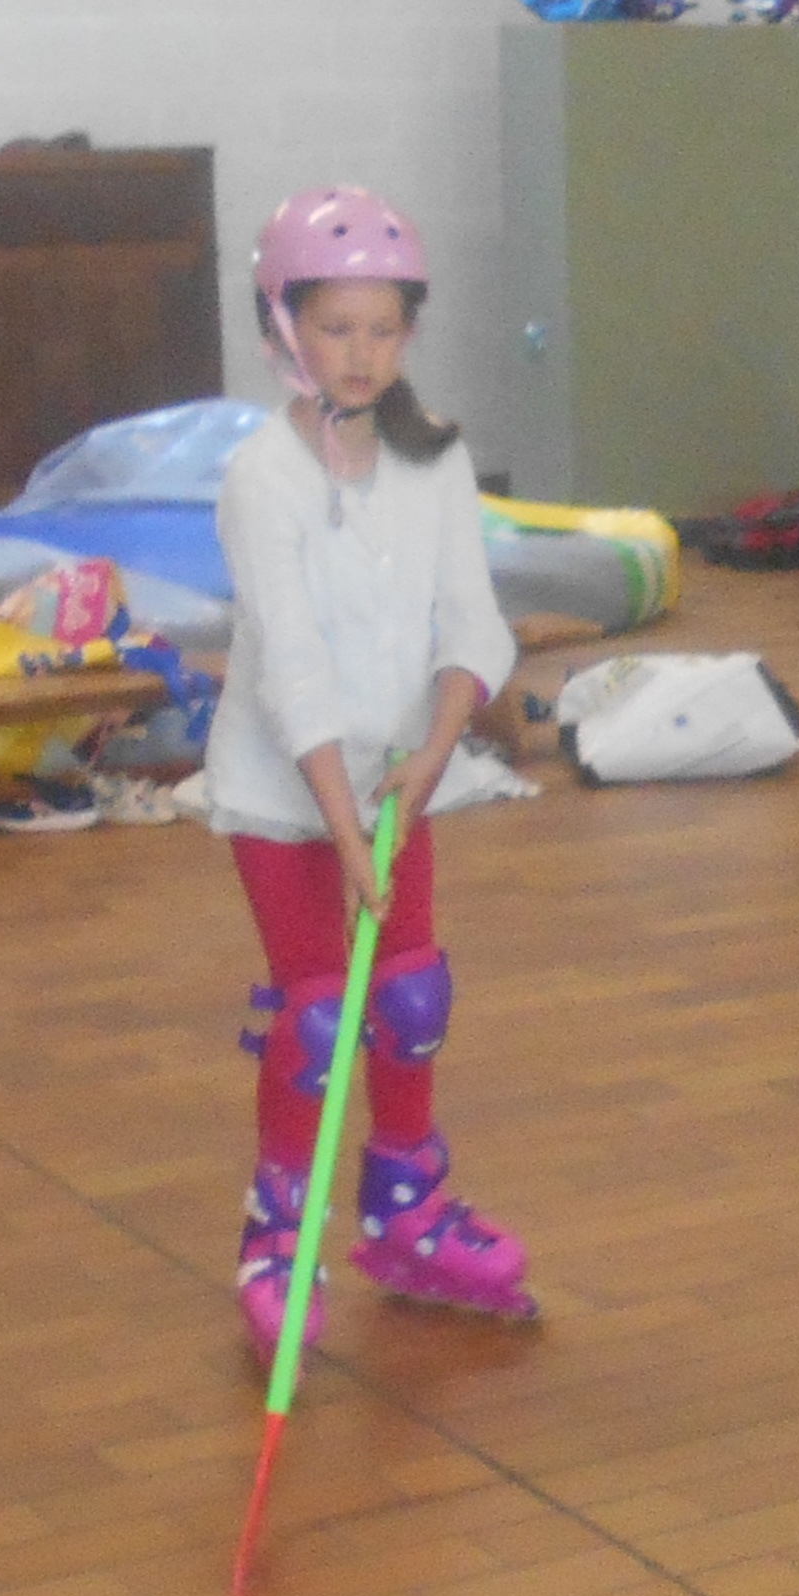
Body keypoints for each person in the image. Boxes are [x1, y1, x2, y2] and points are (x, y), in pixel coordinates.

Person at [206, 187, 530, 1345]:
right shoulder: (263, 479)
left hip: (396, 777)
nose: (361, 354)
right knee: (315, 1018)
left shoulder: (433, 457)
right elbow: (291, 669)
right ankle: (277, 1239)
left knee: (410, 995)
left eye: (384, 329)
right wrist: (343, 832)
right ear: (284, 327)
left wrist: (434, 754)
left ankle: (407, 1213)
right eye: (336, 328)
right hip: (284, 787)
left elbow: (473, 625)